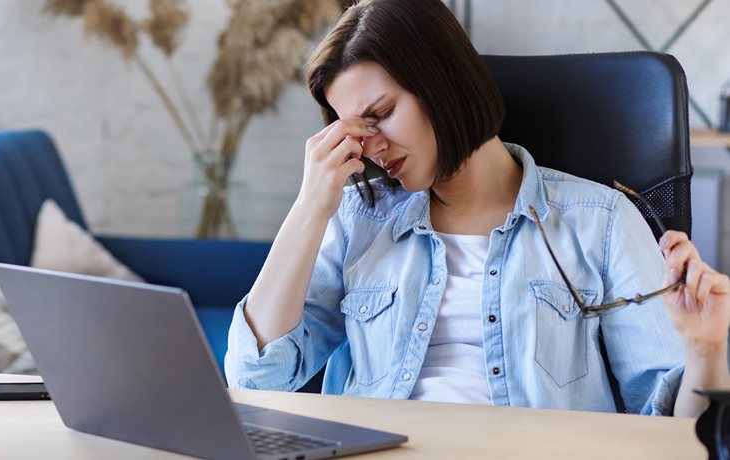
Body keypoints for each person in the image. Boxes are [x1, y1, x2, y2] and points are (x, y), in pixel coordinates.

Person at [224, 0, 730, 417]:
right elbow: (254, 378)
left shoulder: (602, 222)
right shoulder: (360, 217)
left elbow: (671, 433)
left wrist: (707, 351)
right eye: (354, 127)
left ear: (443, 81)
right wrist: (310, 207)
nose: (370, 146)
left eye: (380, 114)